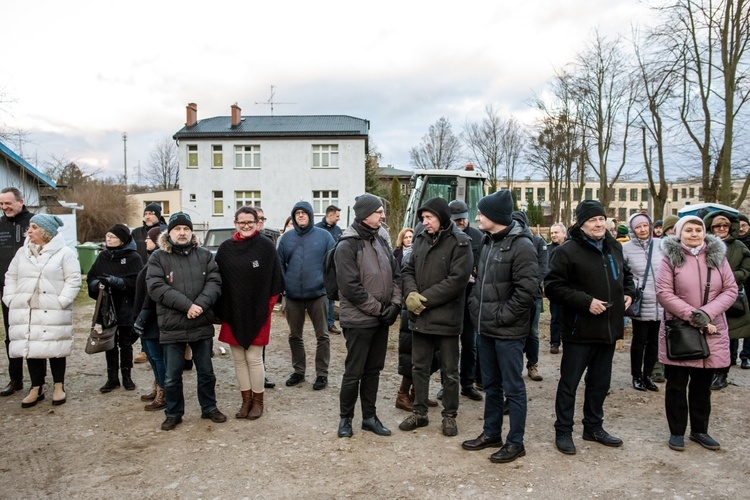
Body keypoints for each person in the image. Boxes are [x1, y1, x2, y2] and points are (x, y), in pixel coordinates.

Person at [545, 200, 635, 455]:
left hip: (608, 330)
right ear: (581, 224)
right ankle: (563, 430)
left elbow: (626, 275)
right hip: (579, 330)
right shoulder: (567, 251)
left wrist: (630, 293)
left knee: (599, 383)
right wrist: (585, 302)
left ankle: (593, 427)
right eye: (592, 220)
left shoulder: (614, 247)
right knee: (569, 384)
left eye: (601, 219)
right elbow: (552, 286)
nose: (598, 224)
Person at [462, 190, 537, 464]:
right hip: (486, 330)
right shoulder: (487, 240)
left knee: (513, 388)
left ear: (494, 216)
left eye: (481, 212)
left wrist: (502, 317)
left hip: (508, 332)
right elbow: (480, 282)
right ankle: (491, 433)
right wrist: (475, 307)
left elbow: (526, 292)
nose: (477, 216)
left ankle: (515, 442)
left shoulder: (522, 246)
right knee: (492, 386)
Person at [656, 216, 736, 451]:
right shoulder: (670, 259)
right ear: (679, 234)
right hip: (680, 329)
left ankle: (700, 430)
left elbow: (730, 289)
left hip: (712, 329)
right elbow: (663, 292)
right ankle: (677, 431)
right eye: (688, 230)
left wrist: (707, 313)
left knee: (702, 385)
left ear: (704, 232)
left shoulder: (718, 258)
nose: (694, 234)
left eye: (698, 230)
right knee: (677, 384)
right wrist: (693, 315)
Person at [399, 197, 473, 437]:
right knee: (419, 367)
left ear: (441, 218)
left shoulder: (461, 242)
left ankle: (449, 415)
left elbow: (457, 280)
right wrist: (410, 293)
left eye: (428, 218)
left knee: (450, 371)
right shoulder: (419, 238)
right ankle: (419, 413)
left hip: (446, 319)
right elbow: (407, 269)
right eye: (423, 218)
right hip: (420, 318)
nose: (424, 222)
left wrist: (424, 300)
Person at [147, 212, 225, 431]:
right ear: (169, 232)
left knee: (206, 372)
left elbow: (214, 282)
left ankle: (209, 407)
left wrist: (199, 304)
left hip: (201, 322)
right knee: (172, 376)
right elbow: (155, 287)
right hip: (173, 325)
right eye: (177, 229)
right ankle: (173, 412)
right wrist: (187, 306)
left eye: (185, 229)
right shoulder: (158, 257)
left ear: (192, 232)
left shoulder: (205, 256)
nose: (182, 233)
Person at [335, 195, 402, 438]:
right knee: (354, 372)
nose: (383, 216)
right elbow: (351, 287)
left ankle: (369, 418)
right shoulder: (347, 245)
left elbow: (397, 276)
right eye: (379, 212)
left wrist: (394, 306)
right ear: (364, 214)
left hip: (381, 320)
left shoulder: (380, 241)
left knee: (373, 371)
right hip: (359, 321)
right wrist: (379, 310)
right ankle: (345, 420)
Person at [3, 214, 81, 407]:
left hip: (52, 307)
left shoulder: (64, 253)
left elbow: (73, 279)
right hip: (27, 307)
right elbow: (11, 276)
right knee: (31, 347)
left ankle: (58, 386)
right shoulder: (23, 253)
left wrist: (61, 301)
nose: (29, 231)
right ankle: (36, 387)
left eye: (34, 227)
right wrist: (10, 298)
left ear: (46, 232)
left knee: (55, 346)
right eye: (30, 227)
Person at [216, 207, 284, 420]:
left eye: (250, 222)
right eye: (241, 222)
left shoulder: (266, 246)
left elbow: (276, 281)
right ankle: (245, 401)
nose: (246, 226)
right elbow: (217, 281)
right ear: (235, 223)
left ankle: (258, 401)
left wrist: (266, 309)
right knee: (238, 359)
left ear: (257, 223)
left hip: (258, 312)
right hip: (232, 310)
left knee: (254, 358)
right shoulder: (226, 248)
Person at [277, 201, 335, 390]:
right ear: (293, 216)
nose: (300, 215)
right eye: (297, 213)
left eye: (304, 213)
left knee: (323, 336)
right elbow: (279, 264)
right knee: (295, 335)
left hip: (318, 294)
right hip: (293, 295)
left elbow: (333, 263)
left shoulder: (324, 236)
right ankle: (299, 371)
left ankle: (322, 374)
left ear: (310, 215)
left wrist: (325, 284)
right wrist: (286, 285)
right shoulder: (286, 239)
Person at [87, 224, 143, 392]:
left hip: (126, 305)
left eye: (112, 237)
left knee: (125, 342)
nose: (108, 239)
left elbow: (138, 283)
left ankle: (127, 376)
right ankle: (112, 378)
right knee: (108, 341)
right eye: (107, 236)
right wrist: (96, 284)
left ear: (123, 239)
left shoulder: (134, 258)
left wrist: (120, 282)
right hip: (108, 306)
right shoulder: (103, 256)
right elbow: (91, 276)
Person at [703, 211, 750, 388]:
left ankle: (723, 372)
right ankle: (709, 370)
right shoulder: (704, 245)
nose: (722, 229)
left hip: (731, 297)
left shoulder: (739, 246)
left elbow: (746, 270)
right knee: (709, 333)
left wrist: (728, 277)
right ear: (711, 227)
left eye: (725, 226)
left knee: (729, 336)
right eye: (717, 226)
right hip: (706, 297)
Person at [446, 200, 484, 401]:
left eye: (461, 219)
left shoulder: (479, 237)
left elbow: (484, 265)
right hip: (451, 299)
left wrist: (476, 273)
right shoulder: (446, 236)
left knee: (470, 344)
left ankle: (467, 383)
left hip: (471, 298)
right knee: (448, 347)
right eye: (455, 220)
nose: (459, 223)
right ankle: (447, 384)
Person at [622, 213, 664, 392]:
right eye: (638, 227)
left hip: (660, 301)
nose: (642, 230)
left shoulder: (661, 245)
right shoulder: (626, 248)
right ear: (632, 229)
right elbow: (624, 274)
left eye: (645, 226)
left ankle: (648, 375)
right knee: (639, 341)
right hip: (641, 300)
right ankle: (636, 376)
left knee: (654, 342)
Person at [0, 187, 34, 396]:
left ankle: (37, 381)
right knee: (12, 334)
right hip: (7, 291)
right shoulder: (0, 225)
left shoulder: (33, 223)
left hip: (30, 289)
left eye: (8, 203)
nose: (4, 207)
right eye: (1, 204)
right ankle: (15, 380)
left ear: (20, 202)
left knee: (32, 334)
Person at [133, 226, 167, 410]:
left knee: (157, 357)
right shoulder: (150, 260)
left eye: (149, 238)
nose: (145, 241)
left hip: (152, 318)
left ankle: (164, 392)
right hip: (144, 316)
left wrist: (144, 314)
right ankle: (157, 386)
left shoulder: (159, 261)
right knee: (152, 357)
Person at [512, 211, 547, 382]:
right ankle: (515, 366)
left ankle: (532, 364)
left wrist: (529, 287)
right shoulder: (509, 241)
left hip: (534, 296)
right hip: (513, 296)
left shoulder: (538, 242)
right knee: (515, 334)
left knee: (532, 332)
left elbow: (543, 267)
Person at [132, 204, 167, 365]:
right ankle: (144, 349)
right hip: (141, 274)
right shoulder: (137, 232)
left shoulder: (164, 231)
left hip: (158, 276)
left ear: (158, 215)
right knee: (141, 313)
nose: (147, 216)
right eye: (145, 213)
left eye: (151, 213)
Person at [252, 206, 278, 390]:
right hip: (243, 301)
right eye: (257, 218)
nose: (260, 221)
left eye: (262, 218)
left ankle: (260, 375)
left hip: (262, 301)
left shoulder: (267, 243)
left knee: (260, 342)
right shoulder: (235, 243)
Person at [316, 205, 343, 335]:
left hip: (333, 269)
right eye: (337, 216)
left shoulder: (338, 230)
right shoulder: (316, 229)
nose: (339, 219)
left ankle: (330, 324)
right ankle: (320, 324)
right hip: (319, 267)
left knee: (331, 296)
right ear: (330, 215)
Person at [547, 223, 567, 354]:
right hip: (555, 289)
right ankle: (555, 342)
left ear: (564, 234)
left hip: (570, 289)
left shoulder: (571, 248)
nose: (553, 235)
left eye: (556, 232)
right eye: (552, 233)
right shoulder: (548, 249)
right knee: (555, 317)